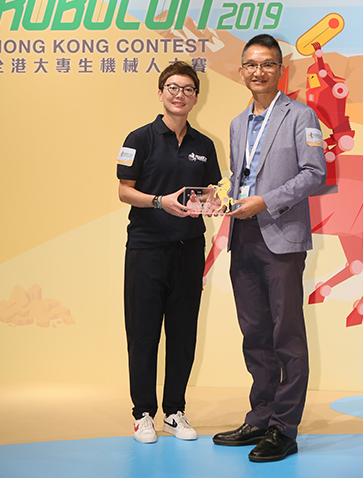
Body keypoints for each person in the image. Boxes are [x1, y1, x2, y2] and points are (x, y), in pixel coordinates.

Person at [213, 35, 327, 462]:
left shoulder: (301, 115)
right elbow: (240, 176)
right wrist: (224, 198)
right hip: (242, 236)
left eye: (267, 64)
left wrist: (266, 201)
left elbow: (314, 173)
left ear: (281, 70)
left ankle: (284, 428)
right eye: (251, 64)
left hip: (281, 237)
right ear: (241, 70)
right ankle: (260, 417)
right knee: (255, 333)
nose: (258, 71)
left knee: (286, 334)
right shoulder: (237, 123)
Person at [117, 61, 221, 444]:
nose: (180, 95)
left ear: (196, 97)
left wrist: (213, 203)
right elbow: (124, 191)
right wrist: (161, 201)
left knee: (182, 334)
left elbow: (211, 192)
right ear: (161, 93)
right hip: (146, 249)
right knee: (143, 334)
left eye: (188, 89)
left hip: (189, 250)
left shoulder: (204, 145)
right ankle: (143, 413)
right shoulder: (139, 138)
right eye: (173, 88)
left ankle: (174, 411)